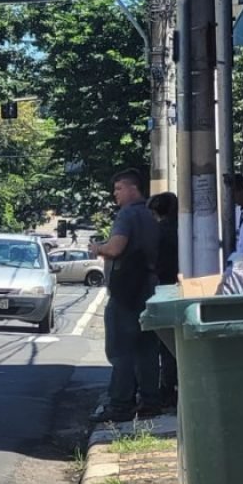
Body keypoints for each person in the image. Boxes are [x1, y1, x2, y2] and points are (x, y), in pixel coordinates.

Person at [88, 168, 162, 423]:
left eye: (119, 188)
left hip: (127, 289)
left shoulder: (127, 214)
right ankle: (150, 401)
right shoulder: (152, 214)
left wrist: (98, 248)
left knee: (120, 349)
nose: (115, 194)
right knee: (147, 347)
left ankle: (120, 404)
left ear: (133, 188)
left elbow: (116, 247)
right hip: (151, 286)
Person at [148, 192, 179, 408]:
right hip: (180, 284)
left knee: (165, 344)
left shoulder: (159, 232)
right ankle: (171, 386)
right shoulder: (183, 228)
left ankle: (167, 388)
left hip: (163, 287)